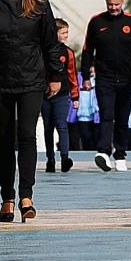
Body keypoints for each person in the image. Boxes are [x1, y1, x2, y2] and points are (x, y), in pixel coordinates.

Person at [0, 0, 67, 218]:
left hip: (31, 80)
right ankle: (7, 197)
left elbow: (50, 42)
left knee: (27, 135)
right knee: (3, 139)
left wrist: (55, 76)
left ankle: (26, 196)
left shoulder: (39, 2)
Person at [81, 0, 131, 171]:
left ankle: (120, 154)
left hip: (127, 79)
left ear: (122, 3)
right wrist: (86, 77)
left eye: (117, 4)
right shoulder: (96, 22)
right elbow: (87, 50)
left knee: (122, 118)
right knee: (106, 115)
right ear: (106, 3)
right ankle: (104, 152)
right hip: (104, 78)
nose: (113, 7)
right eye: (110, 4)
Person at [44, 19, 80, 174]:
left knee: (62, 125)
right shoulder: (42, 50)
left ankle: (65, 157)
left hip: (62, 94)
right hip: (44, 94)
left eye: (67, 32)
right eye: (63, 32)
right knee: (48, 127)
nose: (66, 35)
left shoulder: (68, 53)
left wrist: (75, 96)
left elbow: (72, 75)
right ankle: (50, 159)